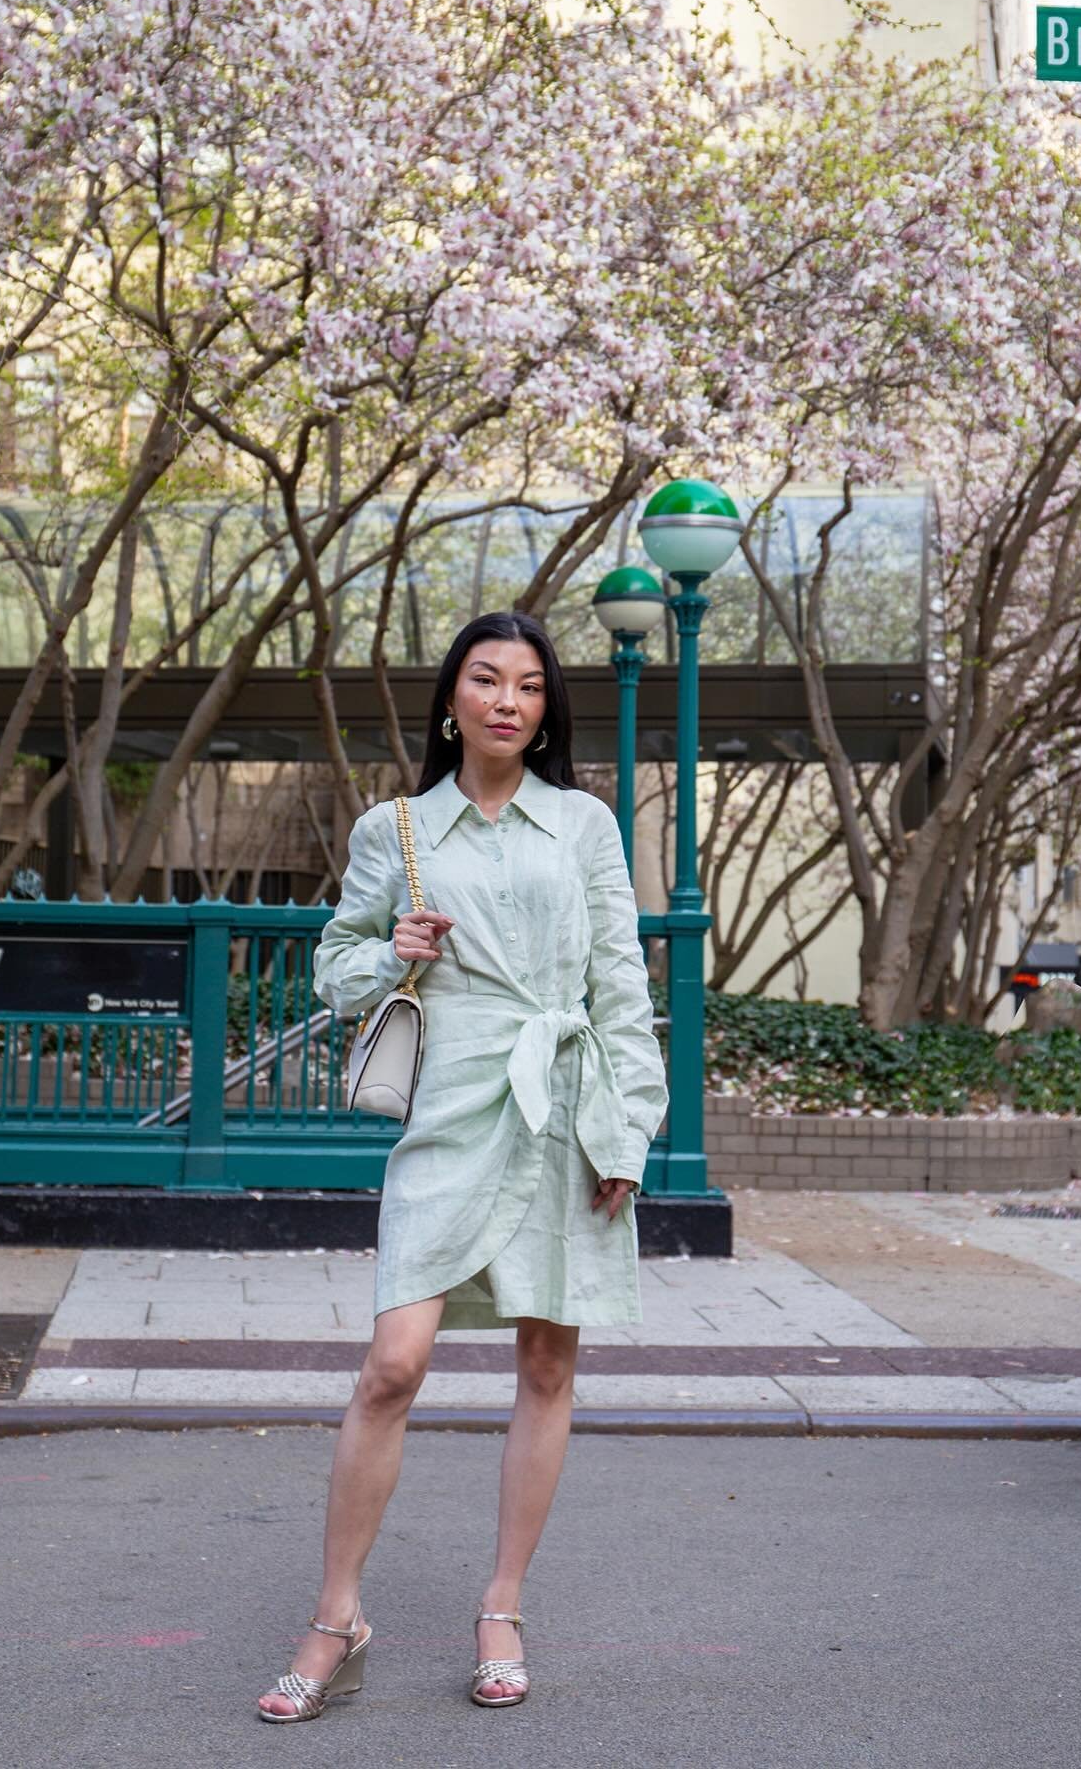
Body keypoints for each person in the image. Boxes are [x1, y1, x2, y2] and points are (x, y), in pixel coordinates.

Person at [256, 611, 668, 1723]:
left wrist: (627, 1128)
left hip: (564, 1100)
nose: (506, 700)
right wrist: (392, 949)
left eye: (529, 687)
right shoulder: (399, 829)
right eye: (486, 680)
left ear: (545, 712)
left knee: (545, 1365)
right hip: (449, 1104)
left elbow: (621, 985)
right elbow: (334, 971)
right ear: (452, 700)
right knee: (395, 1361)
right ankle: (337, 1616)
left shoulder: (583, 825)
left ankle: (501, 1606)